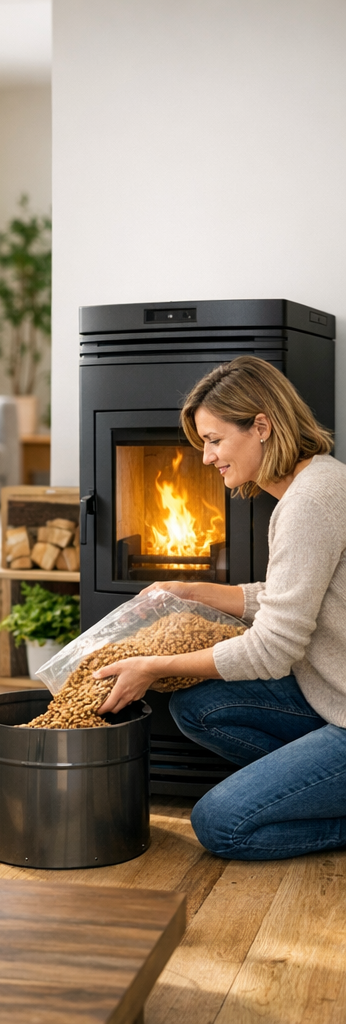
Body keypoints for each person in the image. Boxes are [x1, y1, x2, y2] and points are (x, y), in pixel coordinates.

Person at [94, 355, 346, 860]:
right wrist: (195, 591)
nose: (206, 457)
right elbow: (290, 599)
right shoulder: (318, 480)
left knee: (222, 824)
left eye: (213, 440)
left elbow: (273, 650)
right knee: (198, 706)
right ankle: (309, 784)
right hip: (328, 696)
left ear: (261, 426)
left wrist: (153, 666)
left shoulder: (308, 504)